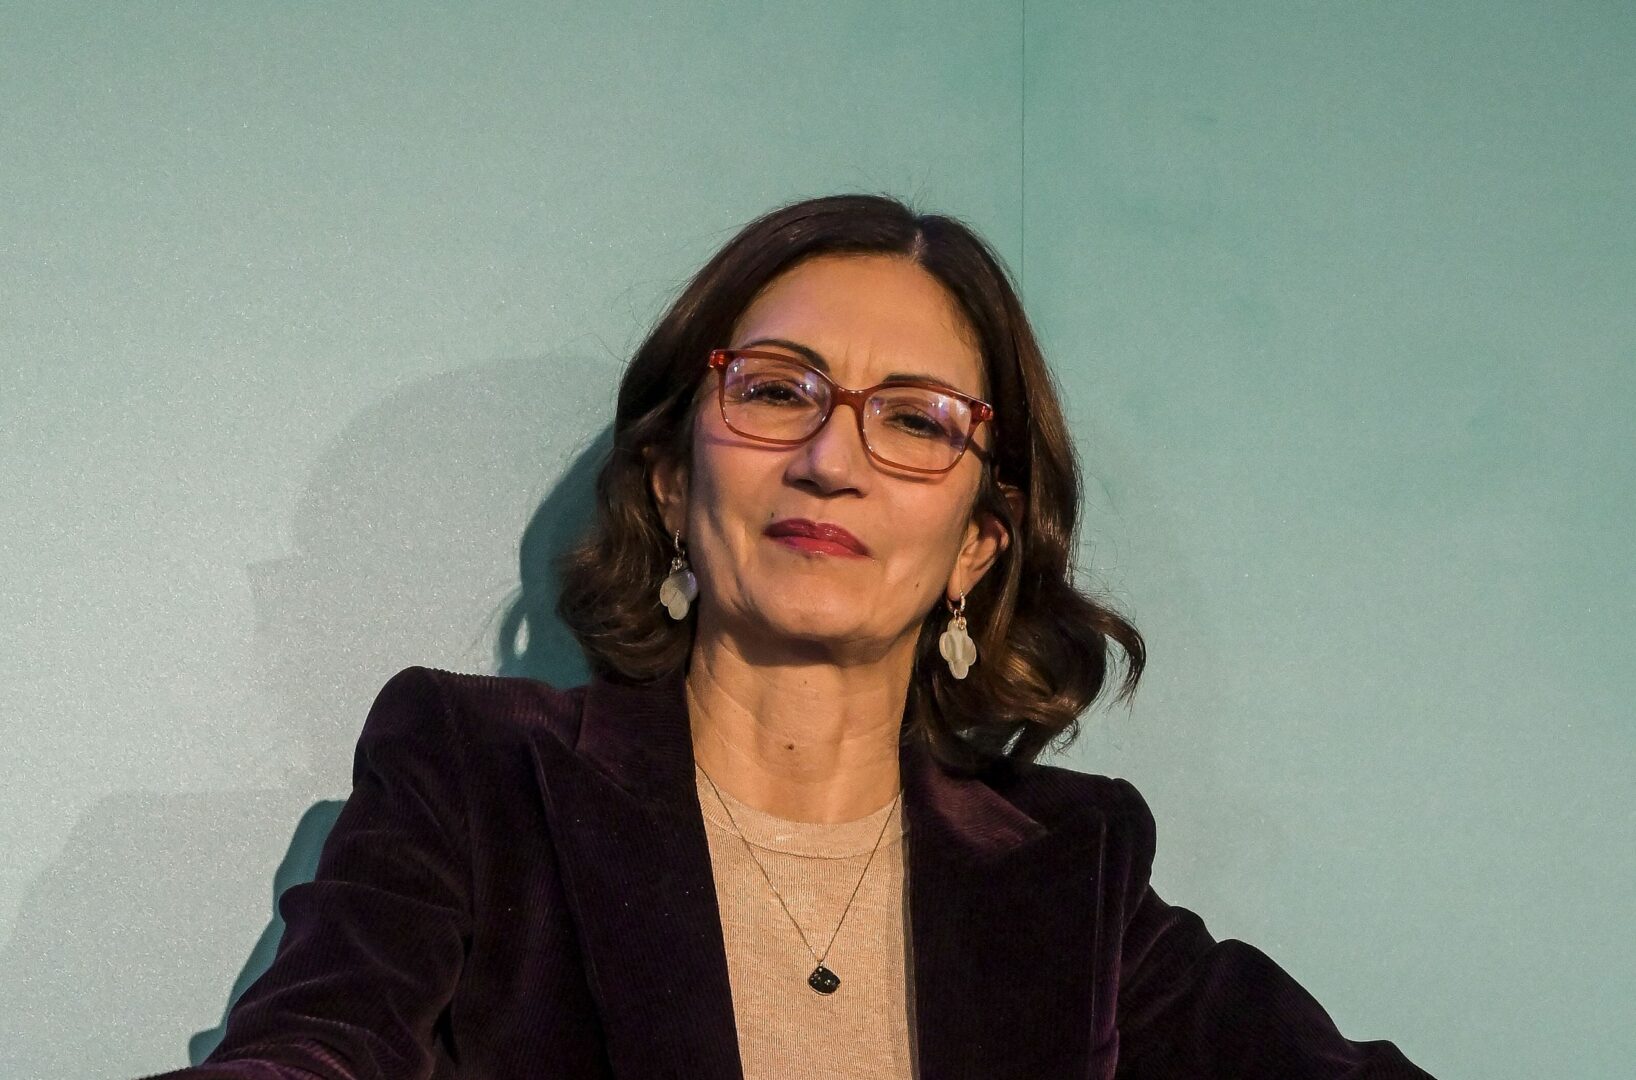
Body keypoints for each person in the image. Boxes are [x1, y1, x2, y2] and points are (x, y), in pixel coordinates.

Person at [138, 193, 1437, 1079]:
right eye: (775, 391)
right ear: (669, 486)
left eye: (916, 420)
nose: (831, 459)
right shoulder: (479, 776)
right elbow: (316, 1047)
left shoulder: (1073, 869)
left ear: (977, 545)